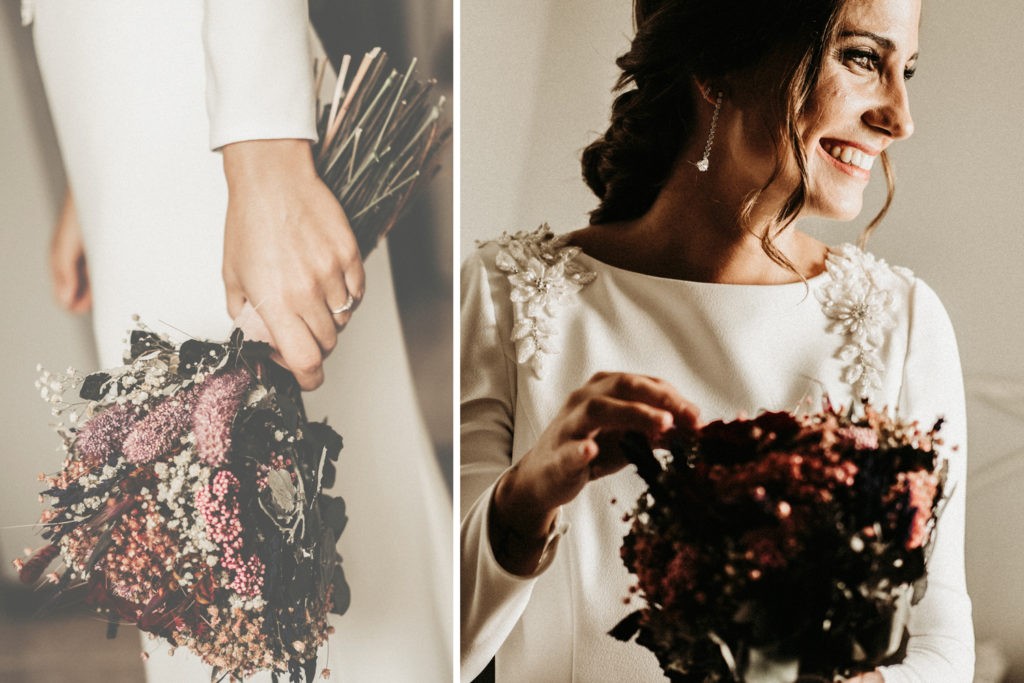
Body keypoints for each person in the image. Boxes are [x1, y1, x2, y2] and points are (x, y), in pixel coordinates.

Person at [460, 0, 973, 681]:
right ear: (718, 64)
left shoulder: (902, 322)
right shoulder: (506, 294)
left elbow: (942, 648)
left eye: (904, 69)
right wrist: (524, 499)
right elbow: (414, 643)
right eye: (860, 58)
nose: (899, 118)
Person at [29, 0, 451, 680]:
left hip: (221, 110)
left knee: (319, 571)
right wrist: (96, 168)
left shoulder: (252, 146)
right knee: (210, 593)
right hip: (131, 105)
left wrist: (263, 144)